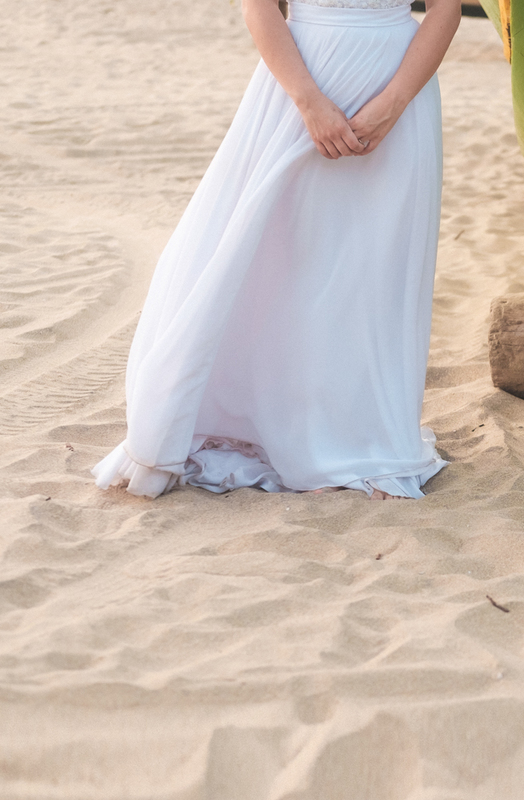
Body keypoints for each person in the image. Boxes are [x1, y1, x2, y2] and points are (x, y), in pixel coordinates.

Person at [92, 0, 460, 499]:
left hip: (400, 92)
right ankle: (253, 423)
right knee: (271, 254)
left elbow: (447, 7)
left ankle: (365, 437)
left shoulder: (399, 99)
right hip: (298, 85)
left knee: (374, 268)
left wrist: (393, 102)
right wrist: (309, 103)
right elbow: (257, 6)